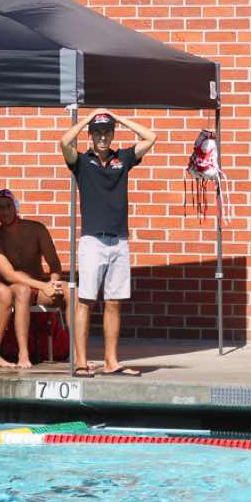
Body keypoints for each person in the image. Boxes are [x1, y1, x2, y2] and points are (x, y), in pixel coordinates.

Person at [60, 108, 155, 377]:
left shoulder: (122, 158)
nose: (102, 137)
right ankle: (81, 362)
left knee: (114, 302)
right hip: (93, 241)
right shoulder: (81, 161)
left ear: (113, 134)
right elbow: (64, 142)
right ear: (90, 135)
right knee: (86, 300)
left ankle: (111, 361)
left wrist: (117, 118)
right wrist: (89, 118)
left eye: (107, 132)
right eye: (98, 132)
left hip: (119, 240)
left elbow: (150, 137)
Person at [0, 188, 70, 369]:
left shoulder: (37, 229)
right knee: (23, 290)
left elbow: (54, 264)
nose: (4, 211)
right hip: (15, 289)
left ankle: (78, 355)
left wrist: (53, 281)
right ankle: (23, 353)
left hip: (40, 286)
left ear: (15, 207)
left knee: (70, 289)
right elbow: (9, 274)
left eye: (8, 206)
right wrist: (43, 286)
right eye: (0, 208)